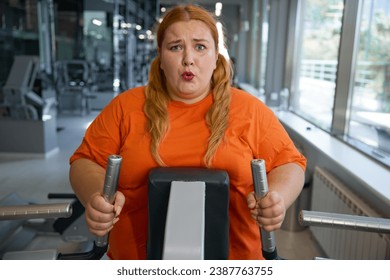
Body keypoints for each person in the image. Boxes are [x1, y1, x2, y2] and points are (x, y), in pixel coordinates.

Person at [69, 4, 306, 260]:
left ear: (216, 56)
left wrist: (277, 197)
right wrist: (95, 197)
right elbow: (85, 161)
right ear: (161, 57)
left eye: (200, 46)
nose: (188, 59)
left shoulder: (249, 110)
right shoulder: (126, 107)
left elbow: (290, 163)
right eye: (175, 47)